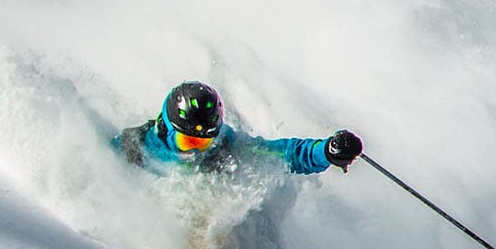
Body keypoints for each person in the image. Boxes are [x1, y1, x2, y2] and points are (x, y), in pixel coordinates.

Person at [115, 80, 362, 178]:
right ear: (167, 128)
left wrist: (326, 152)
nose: (196, 152)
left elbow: (285, 153)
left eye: (204, 143)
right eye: (189, 142)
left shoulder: (224, 149)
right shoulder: (135, 148)